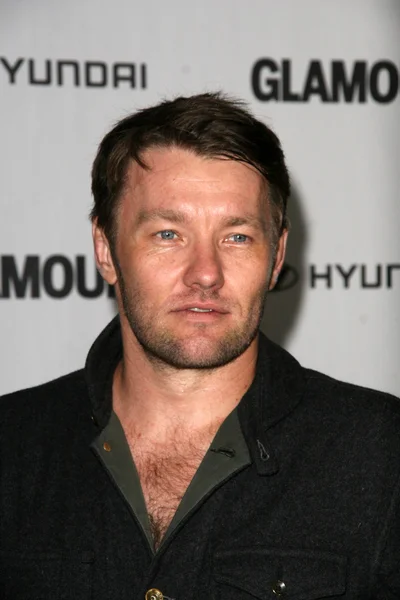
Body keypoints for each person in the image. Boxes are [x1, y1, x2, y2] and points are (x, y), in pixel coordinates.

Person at [0, 92, 399, 600]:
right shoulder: (12, 446)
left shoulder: (382, 455)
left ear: (277, 255)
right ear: (105, 249)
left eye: (237, 237)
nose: (206, 274)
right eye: (168, 234)